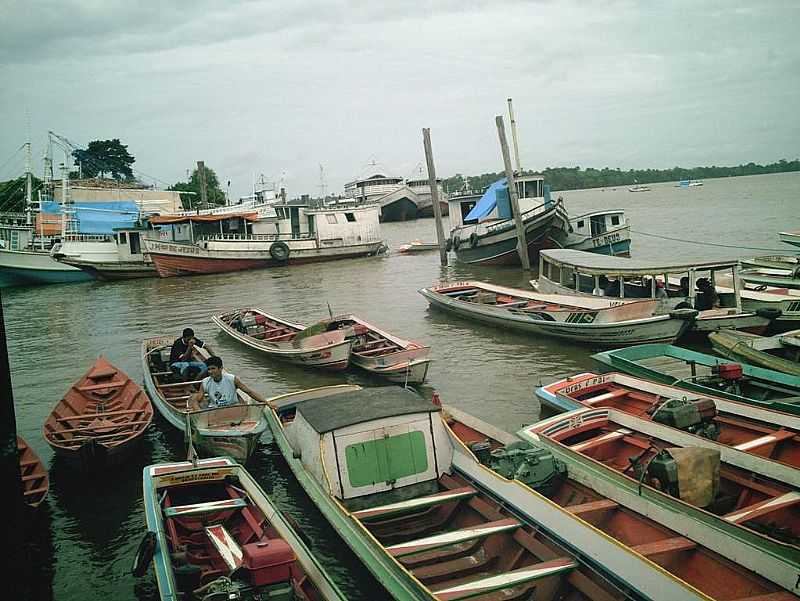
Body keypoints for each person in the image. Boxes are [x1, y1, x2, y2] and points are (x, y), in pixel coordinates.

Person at [189, 355, 269, 410]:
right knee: (194, 398)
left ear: (220, 368)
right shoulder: (205, 382)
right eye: (209, 369)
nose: (210, 371)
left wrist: (266, 402)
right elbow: (197, 400)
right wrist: (198, 413)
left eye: (213, 368)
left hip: (233, 408)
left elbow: (249, 391)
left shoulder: (232, 379)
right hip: (214, 410)